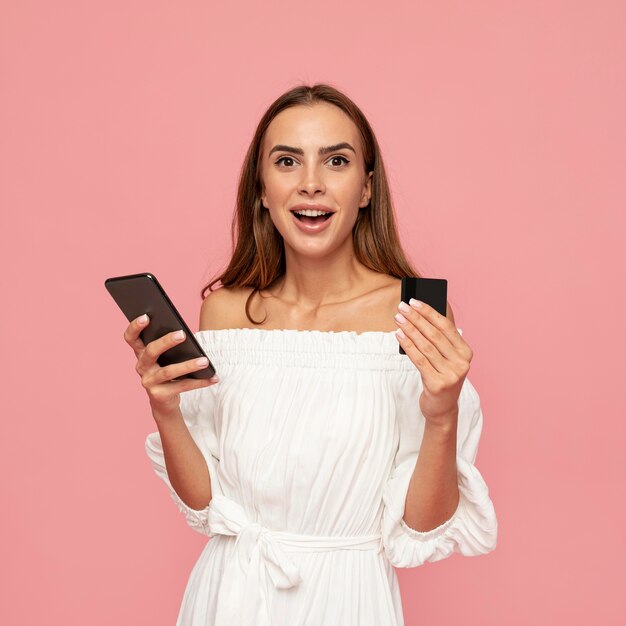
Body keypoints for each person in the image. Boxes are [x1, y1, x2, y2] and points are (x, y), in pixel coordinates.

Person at [123, 83, 498, 626]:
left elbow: (421, 527)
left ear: (366, 189)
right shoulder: (225, 314)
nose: (311, 184)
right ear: (262, 189)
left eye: (337, 161)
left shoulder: (412, 316)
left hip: (350, 601)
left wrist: (442, 416)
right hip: (229, 595)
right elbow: (206, 507)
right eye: (287, 161)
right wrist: (165, 410)